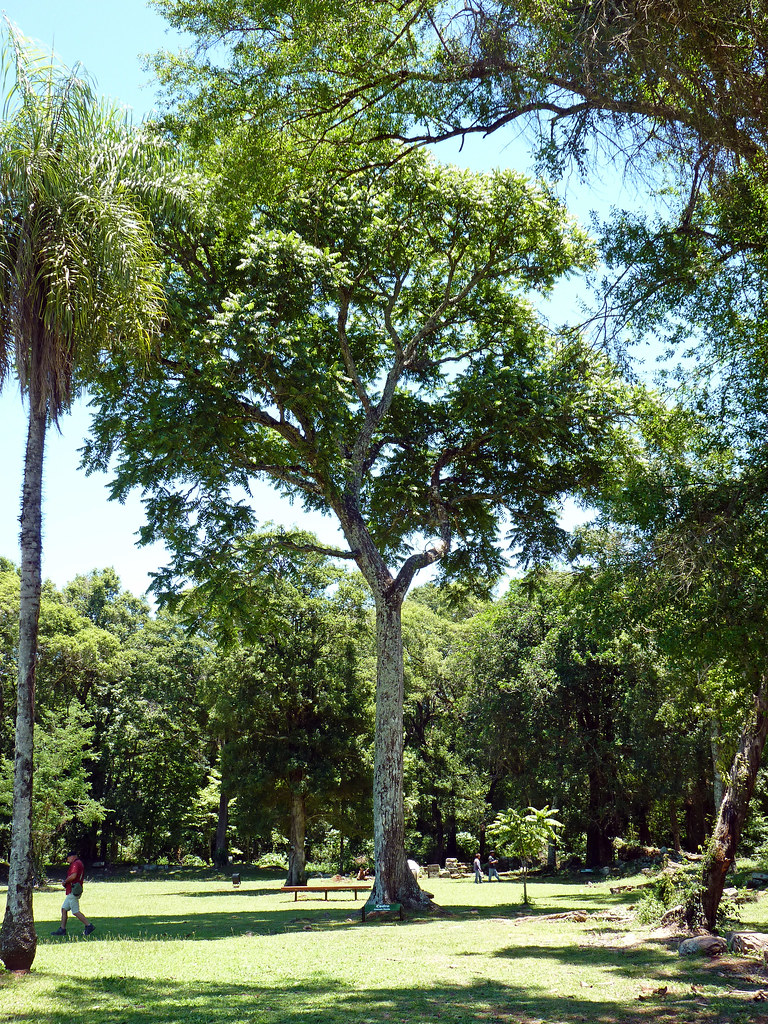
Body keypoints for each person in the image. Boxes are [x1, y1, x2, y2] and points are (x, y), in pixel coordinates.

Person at [51, 852, 95, 937]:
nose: (67, 860)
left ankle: (89, 926)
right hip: (73, 890)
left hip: (73, 890)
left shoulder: (75, 864)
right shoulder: (79, 863)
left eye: (68, 858)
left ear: (72, 856)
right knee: (64, 909)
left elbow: (73, 876)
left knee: (75, 911)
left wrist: (65, 882)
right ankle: (62, 929)